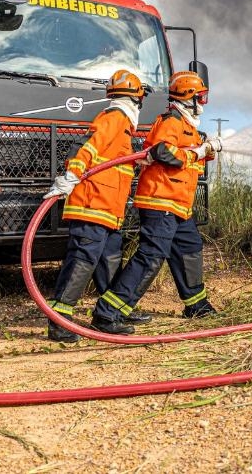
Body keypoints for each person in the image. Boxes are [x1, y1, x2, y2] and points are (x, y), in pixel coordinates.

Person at [91, 71, 220, 334]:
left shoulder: (188, 126)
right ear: (188, 97)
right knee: (151, 256)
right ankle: (108, 312)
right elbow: (162, 151)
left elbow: (189, 155)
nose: (204, 103)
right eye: (201, 97)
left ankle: (196, 305)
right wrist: (197, 152)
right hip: (160, 201)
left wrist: (205, 149)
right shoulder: (171, 120)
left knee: (189, 247)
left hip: (179, 205)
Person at [43, 69, 151, 341]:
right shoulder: (115, 118)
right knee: (82, 262)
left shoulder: (122, 126)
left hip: (108, 211)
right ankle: (59, 321)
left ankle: (109, 315)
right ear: (136, 99)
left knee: (109, 261)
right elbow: (87, 149)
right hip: (93, 206)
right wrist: (70, 177)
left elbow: (111, 160)